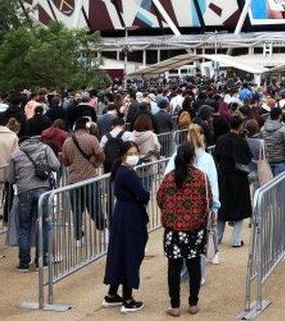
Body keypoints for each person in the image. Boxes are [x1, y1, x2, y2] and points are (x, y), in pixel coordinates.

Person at [158, 144, 211, 316]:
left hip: (173, 230)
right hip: (195, 229)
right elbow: (208, 199)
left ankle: (174, 306)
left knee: (173, 267)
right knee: (194, 265)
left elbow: (160, 199)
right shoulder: (201, 177)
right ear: (192, 158)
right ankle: (193, 303)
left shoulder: (168, 178)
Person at [103, 142, 150, 313]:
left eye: (136, 152)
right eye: (131, 153)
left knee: (120, 252)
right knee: (130, 253)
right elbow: (143, 195)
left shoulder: (121, 172)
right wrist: (143, 196)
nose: (134, 155)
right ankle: (128, 299)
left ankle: (112, 293)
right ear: (123, 155)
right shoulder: (127, 173)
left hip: (122, 214)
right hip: (130, 216)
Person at [9, 132, 60, 271]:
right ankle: (42, 260)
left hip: (24, 191)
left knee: (24, 227)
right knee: (44, 225)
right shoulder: (45, 148)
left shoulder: (15, 154)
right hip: (43, 190)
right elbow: (56, 165)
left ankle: (24, 262)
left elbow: (10, 178)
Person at [61, 118, 106, 244]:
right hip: (89, 178)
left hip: (73, 180)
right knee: (95, 207)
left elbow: (65, 162)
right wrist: (94, 160)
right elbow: (101, 156)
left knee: (76, 210)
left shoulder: (67, 142)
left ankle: (78, 237)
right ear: (87, 126)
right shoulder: (92, 139)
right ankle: (103, 230)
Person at [213, 115, 252, 248]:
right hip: (238, 178)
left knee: (222, 209)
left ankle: (217, 239)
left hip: (224, 178)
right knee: (239, 209)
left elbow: (216, 157)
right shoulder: (241, 141)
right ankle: (236, 239)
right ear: (240, 126)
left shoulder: (221, 140)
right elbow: (247, 159)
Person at [259, 107, 285, 177]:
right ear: (280, 116)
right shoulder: (283, 130)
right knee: (280, 185)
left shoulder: (262, 129)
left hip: (267, 161)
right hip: (281, 160)